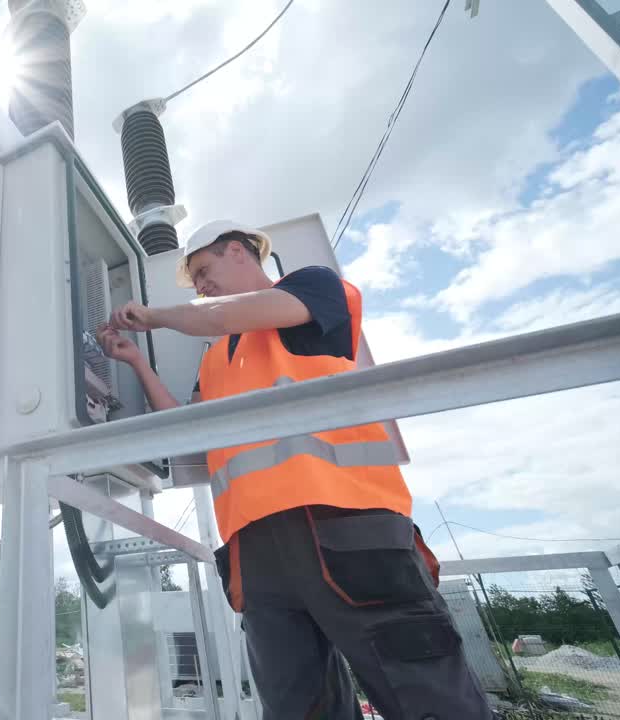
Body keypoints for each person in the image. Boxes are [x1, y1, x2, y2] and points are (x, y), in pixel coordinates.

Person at [96, 220, 492, 719]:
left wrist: (158, 317)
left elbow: (223, 315)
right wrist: (137, 362)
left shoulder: (312, 288)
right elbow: (187, 430)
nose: (199, 286)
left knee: (426, 695)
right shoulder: (218, 357)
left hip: (346, 523)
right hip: (255, 549)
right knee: (296, 707)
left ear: (238, 251)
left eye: (202, 270)